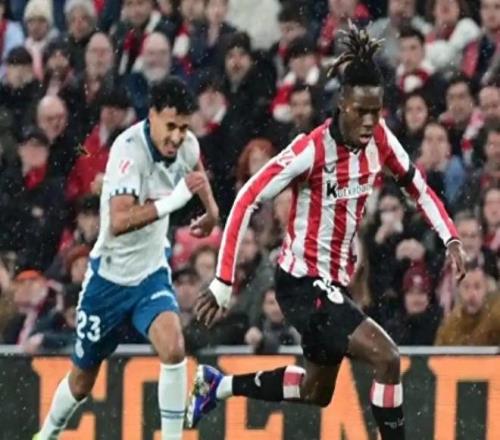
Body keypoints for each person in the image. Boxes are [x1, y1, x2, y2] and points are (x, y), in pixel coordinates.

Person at [185, 25, 466, 440]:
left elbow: (418, 188)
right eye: (361, 111)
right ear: (342, 105)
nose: (369, 121)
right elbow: (246, 198)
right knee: (387, 357)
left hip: (334, 283)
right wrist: (224, 281)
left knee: (316, 390)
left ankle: (218, 385)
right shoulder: (311, 149)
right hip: (300, 282)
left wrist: (451, 237)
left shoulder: (381, 139)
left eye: (376, 111)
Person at [33, 77, 219, 440]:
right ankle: (47, 434)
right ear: (152, 115)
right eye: (171, 126)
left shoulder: (186, 144)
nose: (177, 137)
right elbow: (119, 222)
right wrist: (173, 201)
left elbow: (194, 170)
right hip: (108, 282)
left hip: (150, 274)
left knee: (174, 349)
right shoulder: (128, 150)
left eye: (183, 128)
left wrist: (211, 212)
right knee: (81, 381)